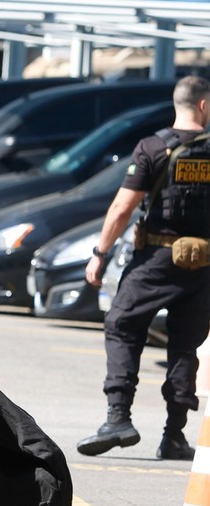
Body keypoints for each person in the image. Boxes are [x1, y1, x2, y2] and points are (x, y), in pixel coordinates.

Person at [79, 75, 210, 461]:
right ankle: (174, 436)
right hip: (203, 266)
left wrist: (99, 254)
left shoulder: (152, 147)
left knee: (121, 325)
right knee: (185, 345)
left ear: (180, 103)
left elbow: (121, 208)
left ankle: (118, 416)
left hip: (156, 259)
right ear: (203, 105)